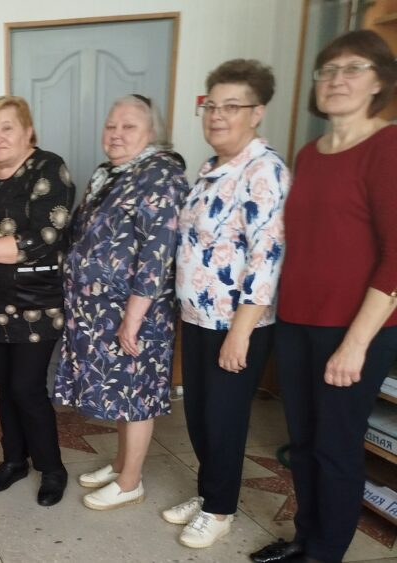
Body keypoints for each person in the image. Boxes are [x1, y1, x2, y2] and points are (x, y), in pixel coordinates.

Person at [252, 30, 397, 563]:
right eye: (327, 71)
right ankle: (305, 538)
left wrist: (355, 344)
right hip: (298, 323)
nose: (337, 80)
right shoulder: (311, 154)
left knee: (336, 445)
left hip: (355, 329)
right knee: (305, 441)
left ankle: (326, 552)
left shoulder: (387, 147)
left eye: (353, 68)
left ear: (379, 82)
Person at [167, 60, 290, 548]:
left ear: (256, 113)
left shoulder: (264, 171)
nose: (217, 115)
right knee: (199, 416)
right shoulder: (212, 168)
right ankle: (209, 493)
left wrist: (240, 332)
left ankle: (220, 510)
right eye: (211, 105)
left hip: (238, 323)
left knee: (223, 418)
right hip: (199, 316)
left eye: (231, 106)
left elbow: (267, 256)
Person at [53, 95, 188, 511]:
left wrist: (133, 317)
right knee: (121, 391)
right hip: (103, 309)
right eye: (111, 125)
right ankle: (120, 464)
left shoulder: (161, 174)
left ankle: (131, 482)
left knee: (137, 393)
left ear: (151, 133)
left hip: (137, 311)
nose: (116, 134)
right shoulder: (110, 172)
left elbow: (158, 251)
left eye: (128, 127)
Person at [0, 95, 73, 506]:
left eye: (7, 128)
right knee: (4, 387)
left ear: (27, 131)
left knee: (27, 387)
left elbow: (44, 237)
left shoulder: (49, 169)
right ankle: (14, 460)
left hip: (36, 301)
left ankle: (52, 468)